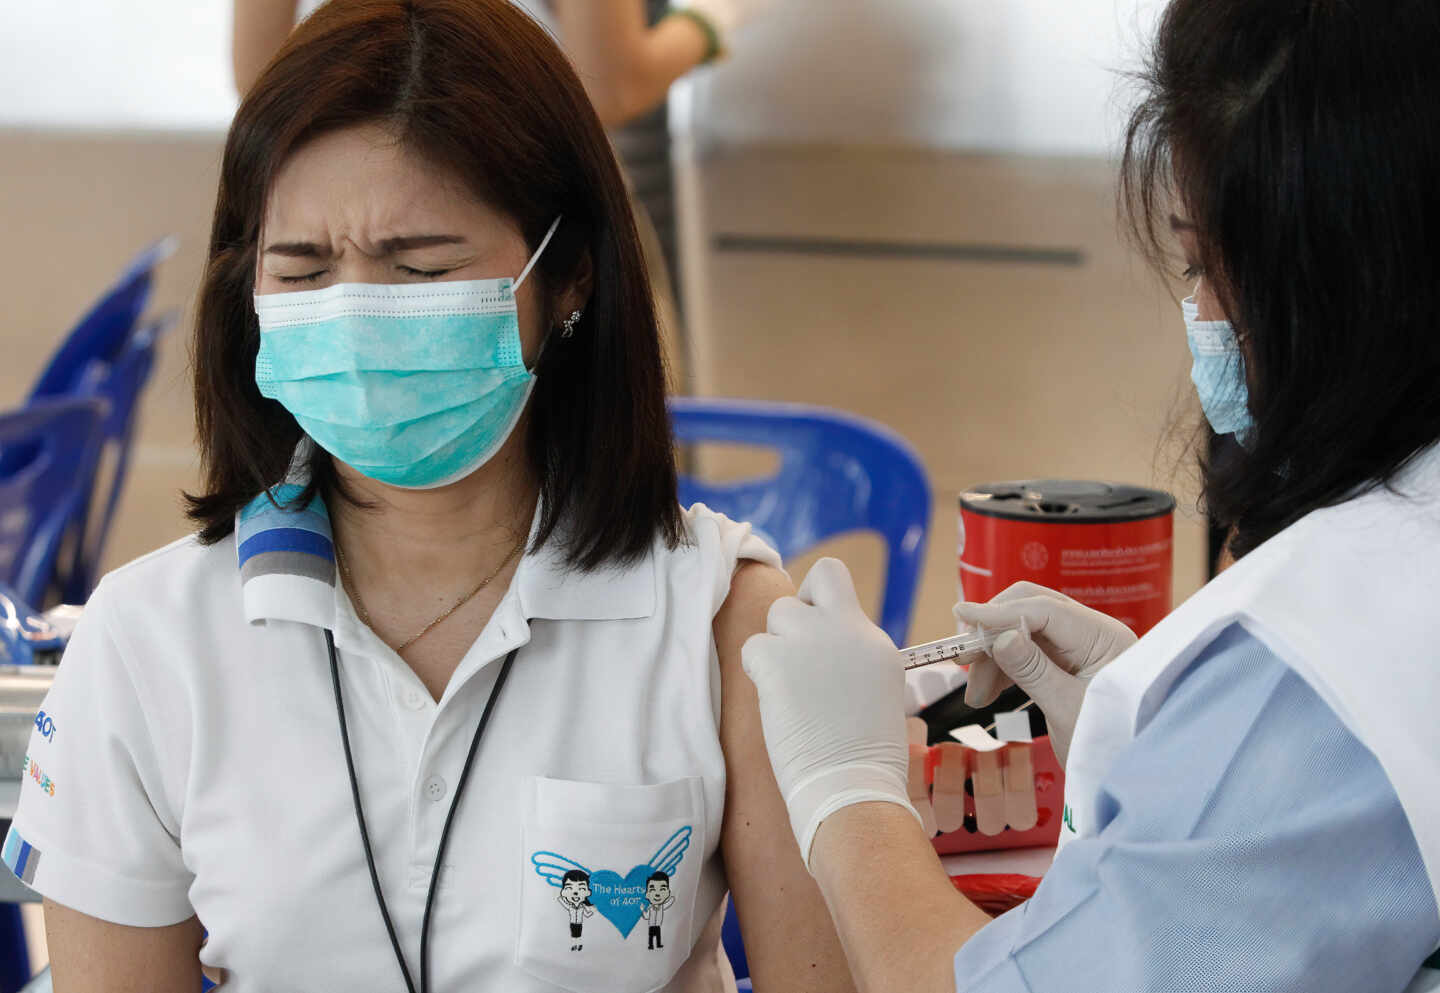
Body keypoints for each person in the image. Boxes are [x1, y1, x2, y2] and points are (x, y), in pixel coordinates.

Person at [1, 3, 855, 991]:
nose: (357, 313)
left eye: (422, 268)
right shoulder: (152, 642)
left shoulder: (718, 625)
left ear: (568, 277)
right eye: (303, 268)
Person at [739, 1, 1440, 991]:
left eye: (1202, 263)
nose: (1195, 311)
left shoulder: (1320, 666)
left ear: (1333, 270)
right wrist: (1159, 738)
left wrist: (847, 789)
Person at [233, 0, 776, 396]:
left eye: (424, 267)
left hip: (350, 196)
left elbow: (263, 84)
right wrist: (707, 25)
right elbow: (608, 85)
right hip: (521, 192)